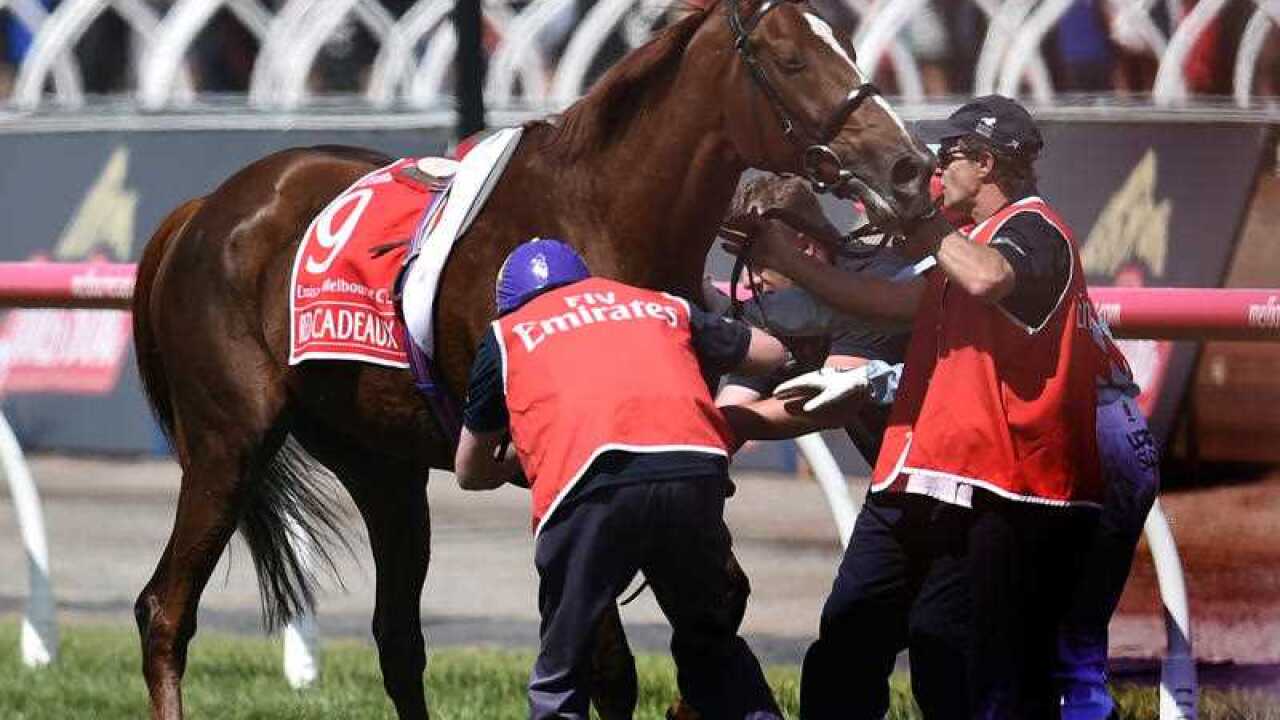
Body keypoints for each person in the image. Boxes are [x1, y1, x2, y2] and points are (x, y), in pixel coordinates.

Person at [723, 95, 1104, 718]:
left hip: (1006, 488)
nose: (931, 170)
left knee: (968, 667)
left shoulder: (1032, 228)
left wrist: (920, 218)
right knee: (851, 639)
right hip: (928, 473)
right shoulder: (958, 245)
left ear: (984, 163)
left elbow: (986, 279)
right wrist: (784, 260)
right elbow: (872, 303)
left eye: (946, 157)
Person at [453, 238, 788, 720]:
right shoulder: (658, 304)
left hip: (590, 484)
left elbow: (469, 470)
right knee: (713, 647)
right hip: (693, 468)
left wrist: (523, 448)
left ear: (510, 300)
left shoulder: (506, 334)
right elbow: (769, 353)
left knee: (563, 671)